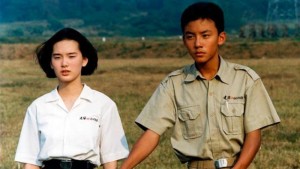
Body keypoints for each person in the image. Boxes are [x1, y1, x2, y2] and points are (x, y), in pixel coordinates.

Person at [120, 2, 280, 169]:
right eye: (190, 36)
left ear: (221, 38)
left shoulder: (245, 79)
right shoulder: (173, 84)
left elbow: (254, 135)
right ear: (183, 40)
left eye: (205, 35)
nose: (197, 44)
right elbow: (152, 133)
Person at [15, 28, 129, 169]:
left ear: (84, 60)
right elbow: (30, 162)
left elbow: (110, 159)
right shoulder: (38, 106)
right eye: (57, 57)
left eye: (71, 56)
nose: (64, 63)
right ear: (51, 63)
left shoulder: (104, 105)